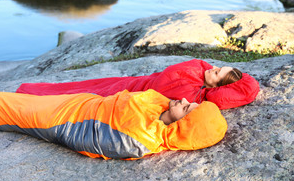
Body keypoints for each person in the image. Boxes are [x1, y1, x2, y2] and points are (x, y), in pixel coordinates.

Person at [0, 87, 227, 160]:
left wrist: (58, 127)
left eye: (188, 107)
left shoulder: (139, 141)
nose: (183, 99)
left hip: (61, 121)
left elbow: (86, 139)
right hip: (83, 103)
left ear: (187, 125)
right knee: (18, 99)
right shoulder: (158, 104)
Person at [16, 59, 259, 110]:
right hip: (132, 82)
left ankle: (27, 95)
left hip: (127, 93)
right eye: (218, 67)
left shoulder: (194, 95)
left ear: (217, 87)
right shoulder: (200, 68)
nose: (213, 68)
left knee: (75, 95)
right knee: (79, 87)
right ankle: (28, 92)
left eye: (217, 73)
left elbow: (244, 90)